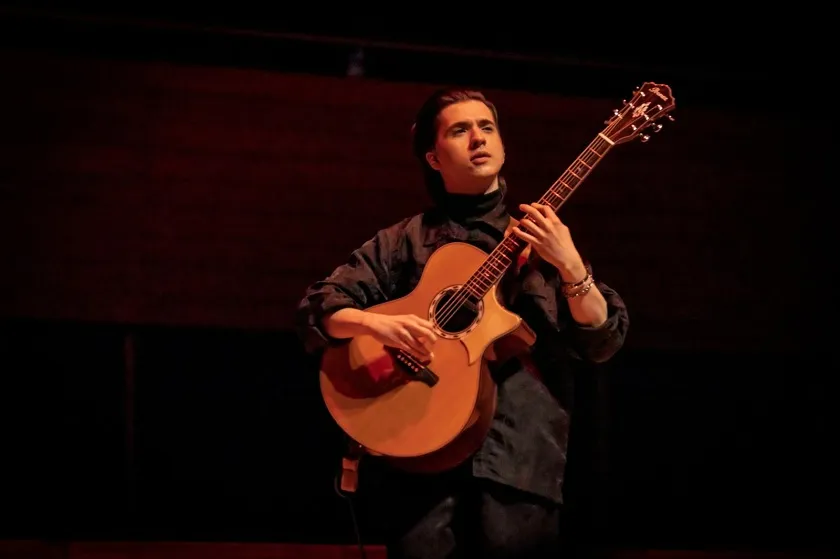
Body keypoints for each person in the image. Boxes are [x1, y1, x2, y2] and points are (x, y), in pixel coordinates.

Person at [296, 88, 630, 558]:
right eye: (460, 130)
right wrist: (378, 326)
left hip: (519, 456)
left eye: (487, 127)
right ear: (433, 158)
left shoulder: (542, 240)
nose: (478, 138)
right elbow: (318, 308)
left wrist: (572, 266)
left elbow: (601, 342)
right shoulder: (404, 241)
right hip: (418, 449)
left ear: (503, 146)